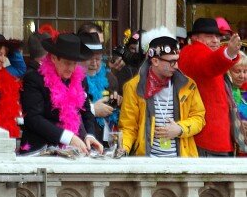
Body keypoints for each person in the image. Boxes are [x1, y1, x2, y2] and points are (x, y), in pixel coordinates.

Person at [118, 27, 205, 157]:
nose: (176, 66)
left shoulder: (188, 85)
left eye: (177, 60)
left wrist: (180, 129)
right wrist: (123, 148)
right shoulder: (133, 87)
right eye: (171, 62)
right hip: (147, 163)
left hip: (181, 162)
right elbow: (128, 127)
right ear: (155, 61)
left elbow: (199, 118)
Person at [19, 31, 103, 155]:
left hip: (72, 153)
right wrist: (68, 137)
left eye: (74, 63)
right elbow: (34, 119)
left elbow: (86, 112)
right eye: (67, 63)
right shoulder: (34, 79)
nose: (72, 68)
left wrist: (90, 135)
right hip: (40, 153)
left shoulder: (80, 79)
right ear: (53, 58)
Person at [178, 17, 241, 157]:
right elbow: (209, 64)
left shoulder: (198, 52)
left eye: (218, 36)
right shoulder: (194, 51)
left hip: (214, 137)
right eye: (209, 36)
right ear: (195, 38)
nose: (215, 40)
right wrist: (228, 53)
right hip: (208, 138)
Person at [78, 31, 121, 146]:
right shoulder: (72, 79)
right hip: (82, 141)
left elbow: (114, 113)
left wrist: (116, 103)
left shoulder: (110, 78)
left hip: (105, 140)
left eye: (98, 59)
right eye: (90, 59)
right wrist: (93, 109)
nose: (95, 64)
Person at [225, 51, 247, 157]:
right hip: (229, 148)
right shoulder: (224, 92)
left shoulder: (245, 94)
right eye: (237, 71)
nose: (242, 76)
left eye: (245, 71)